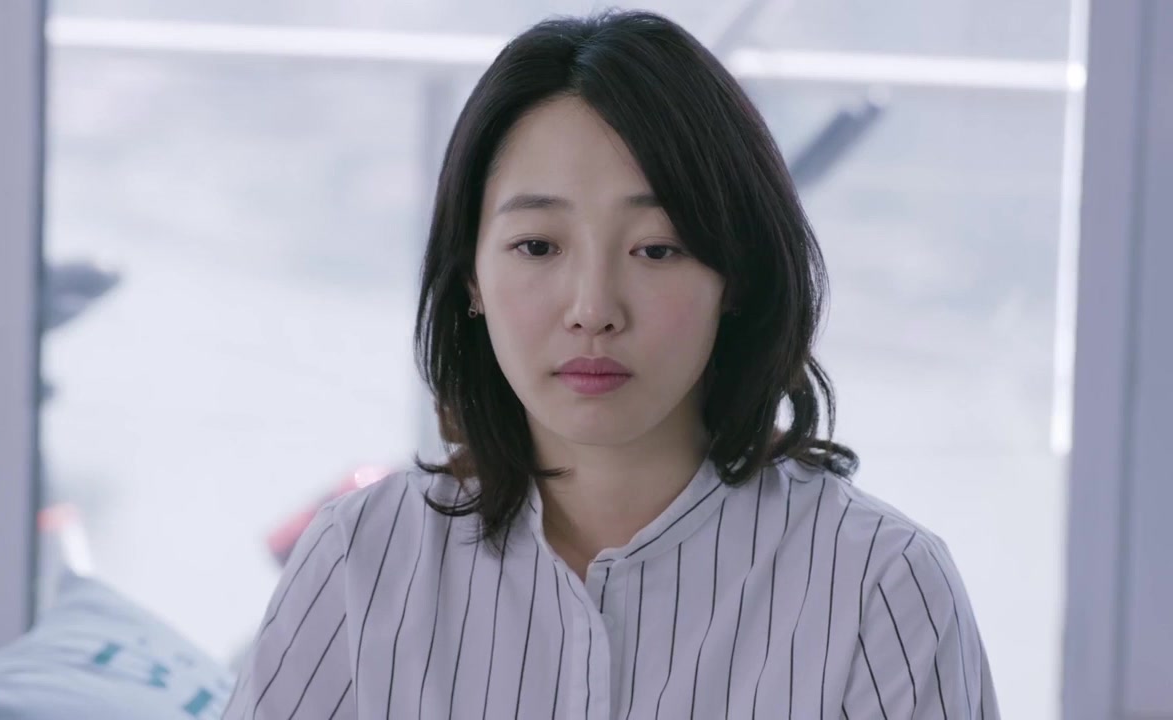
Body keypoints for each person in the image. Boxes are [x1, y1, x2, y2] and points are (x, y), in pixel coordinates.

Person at [223, 9, 999, 719]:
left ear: (735, 277)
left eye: (657, 249)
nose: (593, 308)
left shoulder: (879, 584)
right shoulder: (361, 559)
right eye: (538, 246)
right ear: (470, 278)